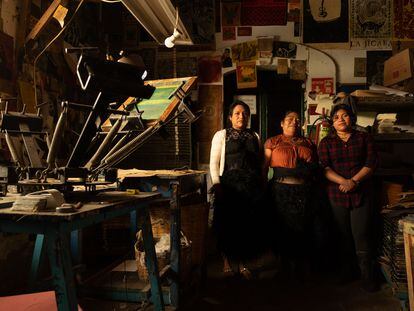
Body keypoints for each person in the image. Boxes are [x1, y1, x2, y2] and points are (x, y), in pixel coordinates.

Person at [318, 103, 378, 291]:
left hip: (361, 192)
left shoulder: (364, 138)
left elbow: (371, 163)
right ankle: (347, 271)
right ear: (332, 122)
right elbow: (324, 168)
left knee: (361, 234)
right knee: (342, 235)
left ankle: (366, 276)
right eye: (336, 117)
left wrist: (354, 181)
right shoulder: (326, 142)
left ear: (351, 118)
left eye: (344, 116)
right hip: (337, 193)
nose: (341, 120)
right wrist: (343, 181)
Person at [209, 100, 264, 278]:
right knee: (227, 225)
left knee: (246, 227)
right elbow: (214, 163)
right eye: (238, 113)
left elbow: (261, 162)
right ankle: (226, 262)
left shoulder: (254, 135)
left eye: (245, 113)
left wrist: (261, 184)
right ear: (230, 117)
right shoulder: (221, 135)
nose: (242, 116)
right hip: (229, 187)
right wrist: (217, 185)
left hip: (251, 189)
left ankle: (242, 264)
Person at [264, 111, 319, 277]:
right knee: (282, 228)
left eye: (297, 120)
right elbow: (264, 167)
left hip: (304, 192)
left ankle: (301, 266)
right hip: (280, 191)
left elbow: (316, 168)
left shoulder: (309, 142)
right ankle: (284, 265)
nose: (293, 122)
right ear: (281, 123)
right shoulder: (273, 141)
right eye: (289, 119)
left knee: (304, 228)